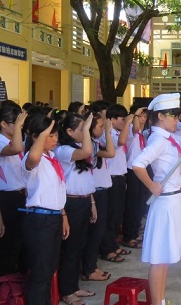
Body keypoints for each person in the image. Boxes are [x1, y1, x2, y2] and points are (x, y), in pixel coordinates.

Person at [133, 93, 181, 305]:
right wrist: (152, 185)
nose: (177, 119)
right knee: (159, 259)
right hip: (165, 202)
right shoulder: (158, 140)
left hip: (173, 200)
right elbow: (138, 164)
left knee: (164, 259)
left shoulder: (168, 138)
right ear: (161, 116)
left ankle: (161, 300)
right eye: (173, 115)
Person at [21, 116, 69, 305]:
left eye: (56, 134)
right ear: (36, 137)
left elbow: (57, 191)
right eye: (49, 135)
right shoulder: (32, 158)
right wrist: (41, 136)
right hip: (40, 219)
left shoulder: (52, 158)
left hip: (54, 217)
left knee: (49, 269)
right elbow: (33, 157)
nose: (55, 138)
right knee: (40, 271)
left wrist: (63, 215)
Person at [54, 112, 96, 305]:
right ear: (69, 131)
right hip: (70, 203)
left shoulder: (77, 147)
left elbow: (87, 178)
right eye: (81, 129)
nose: (84, 132)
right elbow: (87, 152)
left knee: (79, 246)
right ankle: (67, 290)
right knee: (70, 249)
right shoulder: (63, 150)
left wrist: (92, 203)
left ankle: (73, 286)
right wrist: (88, 130)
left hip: (84, 200)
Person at [81, 112, 114, 281]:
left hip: (96, 191)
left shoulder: (94, 143)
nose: (103, 128)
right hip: (92, 191)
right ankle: (89, 268)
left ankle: (91, 265)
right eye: (100, 126)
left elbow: (110, 152)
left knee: (98, 230)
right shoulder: (85, 146)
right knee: (94, 231)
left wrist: (107, 133)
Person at [99, 104, 133, 262]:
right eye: (121, 119)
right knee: (111, 215)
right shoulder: (108, 134)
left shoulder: (118, 131)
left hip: (120, 176)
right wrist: (128, 123)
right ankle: (107, 248)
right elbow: (120, 142)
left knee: (118, 213)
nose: (124, 122)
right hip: (111, 178)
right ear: (111, 120)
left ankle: (112, 244)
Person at [0, 104, 27, 276]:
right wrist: (18, 127)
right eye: (15, 123)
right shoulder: (2, 141)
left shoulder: (15, 138)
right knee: (7, 244)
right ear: (3, 124)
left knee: (19, 242)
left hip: (20, 195)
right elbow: (16, 149)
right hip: (6, 198)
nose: (19, 127)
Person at [122, 104, 148, 249]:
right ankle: (129, 235)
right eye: (140, 117)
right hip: (131, 170)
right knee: (132, 204)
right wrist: (135, 115)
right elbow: (136, 127)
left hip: (140, 170)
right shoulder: (132, 133)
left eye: (144, 117)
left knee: (139, 201)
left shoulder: (140, 134)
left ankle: (136, 228)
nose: (143, 119)